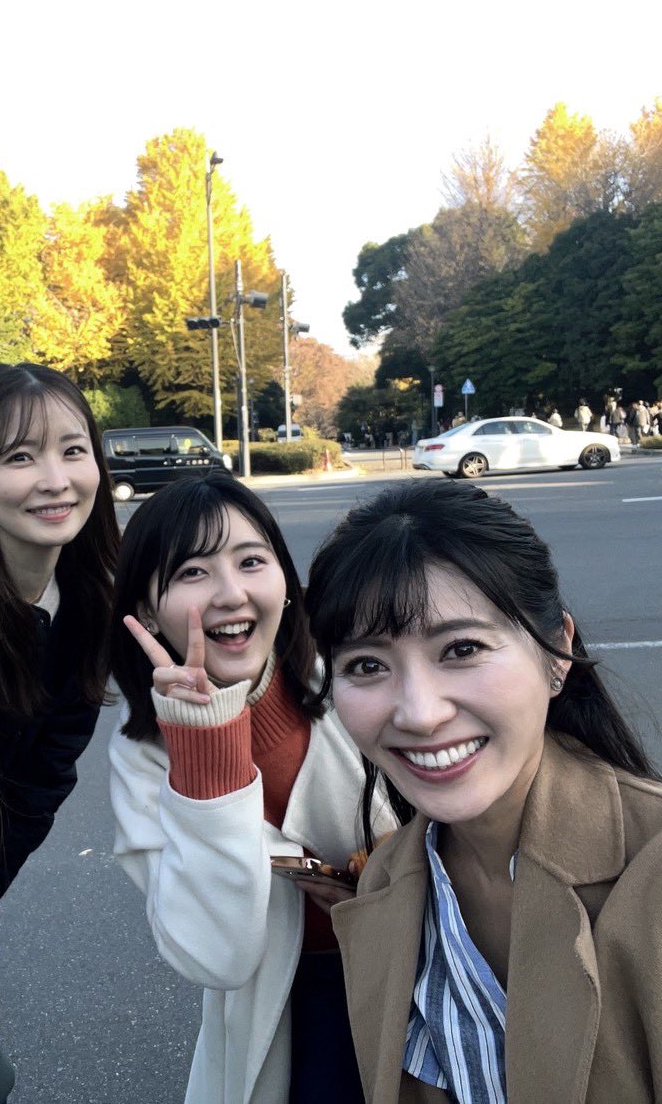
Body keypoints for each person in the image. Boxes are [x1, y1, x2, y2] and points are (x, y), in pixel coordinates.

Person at [302, 480, 662, 1103]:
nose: (420, 714)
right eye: (367, 665)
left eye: (461, 648)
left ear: (557, 651)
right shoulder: (388, 886)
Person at [109, 470, 395, 1104]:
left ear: (285, 584)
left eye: (251, 561)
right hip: (294, 1010)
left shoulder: (351, 677)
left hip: (415, 972)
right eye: (192, 571)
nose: (231, 593)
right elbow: (218, 955)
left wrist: (378, 883)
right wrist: (205, 741)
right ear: (147, 609)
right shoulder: (142, 758)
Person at [0, 362, 120, 1028]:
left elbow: (42, 779)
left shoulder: (89, 605)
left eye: (73, 451)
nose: (55, 479)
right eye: (20, 457)